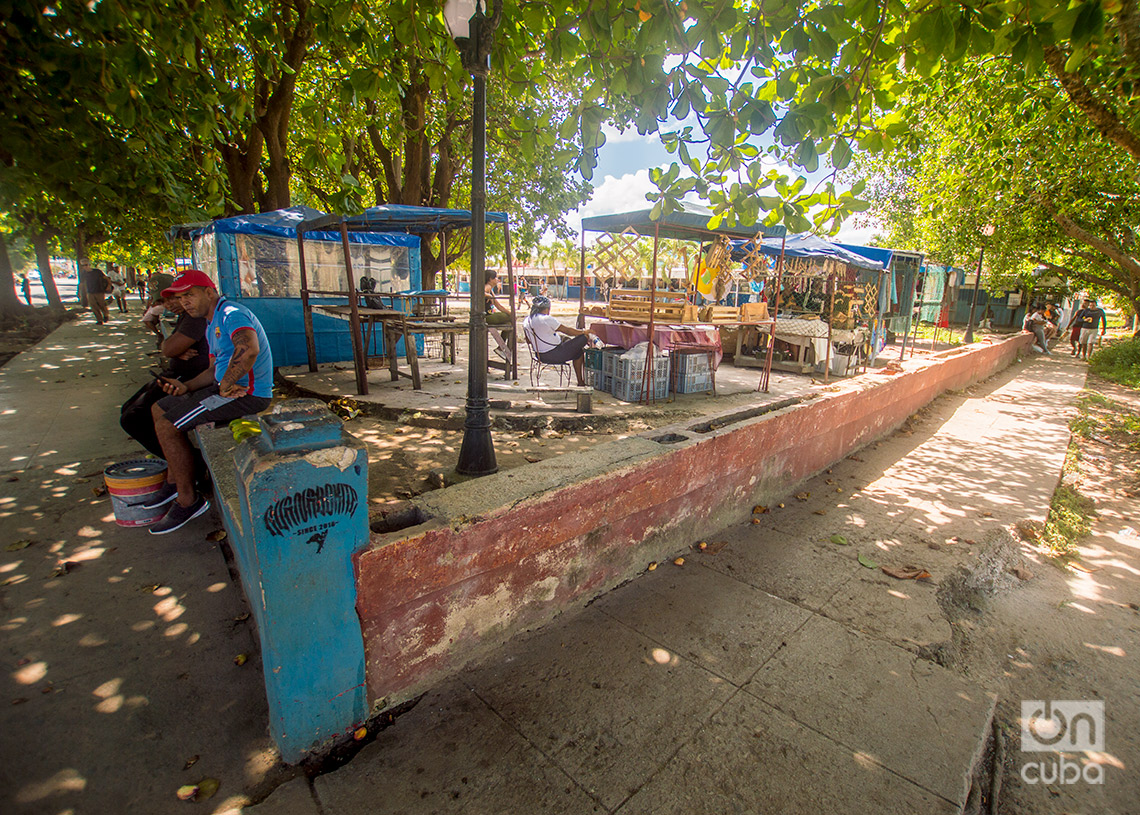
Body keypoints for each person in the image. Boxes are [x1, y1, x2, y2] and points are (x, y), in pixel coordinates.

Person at [146, 269, 274, 534]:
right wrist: (186, 387)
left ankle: (188, 500)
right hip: (223, 389)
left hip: (248, 395)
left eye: (189, 295)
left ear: (209, 291)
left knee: (169, 426)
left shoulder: (231, 314)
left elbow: (248, 347)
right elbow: (212, 372)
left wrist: (226, 384)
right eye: (181, 298)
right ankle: (174, 481)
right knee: (159, 409)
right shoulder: (211, 323)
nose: (185, 302)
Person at [120, 293, 209, 458]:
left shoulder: (195, 319)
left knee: (132, 419)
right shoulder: (185, 317)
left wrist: (172, 350)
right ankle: (175, 458)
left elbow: (168, 349)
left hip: (186, 378)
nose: (169, 304)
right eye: (164, 301)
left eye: (175, 298)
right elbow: (168, 348)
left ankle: (193, 463)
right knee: (128, 409)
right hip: (176, 375)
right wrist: (173, 351)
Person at [522, 295, 593, 386]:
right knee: (583, 338)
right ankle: (580, 381)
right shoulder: (546, 319)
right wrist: (584, 331)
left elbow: (528, 341)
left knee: (578, 352)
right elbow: (568, 331)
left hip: (539, 355)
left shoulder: (526, 320)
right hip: (555, 354)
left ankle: (580, 382)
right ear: (547, 309)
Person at [484, 270, 513, 360]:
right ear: (490, 279)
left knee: (509, 323)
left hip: (490, 315)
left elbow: (499, 306)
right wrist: (488, 296)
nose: (497, 280)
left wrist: (511, 313)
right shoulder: (487, 286)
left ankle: (501, 347)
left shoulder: (491, 290)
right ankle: (502, 348)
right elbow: (481, 292)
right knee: (508, 318)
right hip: (486, 317)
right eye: (495, 278)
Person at [80, 259, 111, 324]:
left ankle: (105, 315)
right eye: (83, 265)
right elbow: (82, 283)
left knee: (101, 304)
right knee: (93, 306)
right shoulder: (83, 273)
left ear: (89, 265)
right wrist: (80, 292)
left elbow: (106, 278)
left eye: (86, 265)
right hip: (90, 291)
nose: (85, 267)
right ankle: (99, 319)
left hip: (99, 290)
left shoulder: (97, 271)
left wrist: (109, 286)